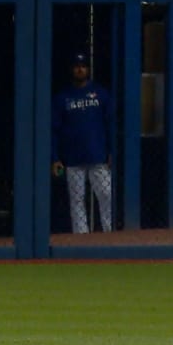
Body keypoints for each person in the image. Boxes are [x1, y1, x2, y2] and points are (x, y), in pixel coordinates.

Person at [52, 52, 115, 234]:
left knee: (106, 194)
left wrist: (111, 151)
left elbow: (110, 124)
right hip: (72, 157)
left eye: (83, 66)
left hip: (98, 154)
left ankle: (109, 232)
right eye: (77, 66)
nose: (80, 69)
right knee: (77, 199)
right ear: (72, 69)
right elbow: (54, 130)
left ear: (88, 69)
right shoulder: (63, 97)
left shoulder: (101, 94)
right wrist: (55, 158)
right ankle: (81, 236)